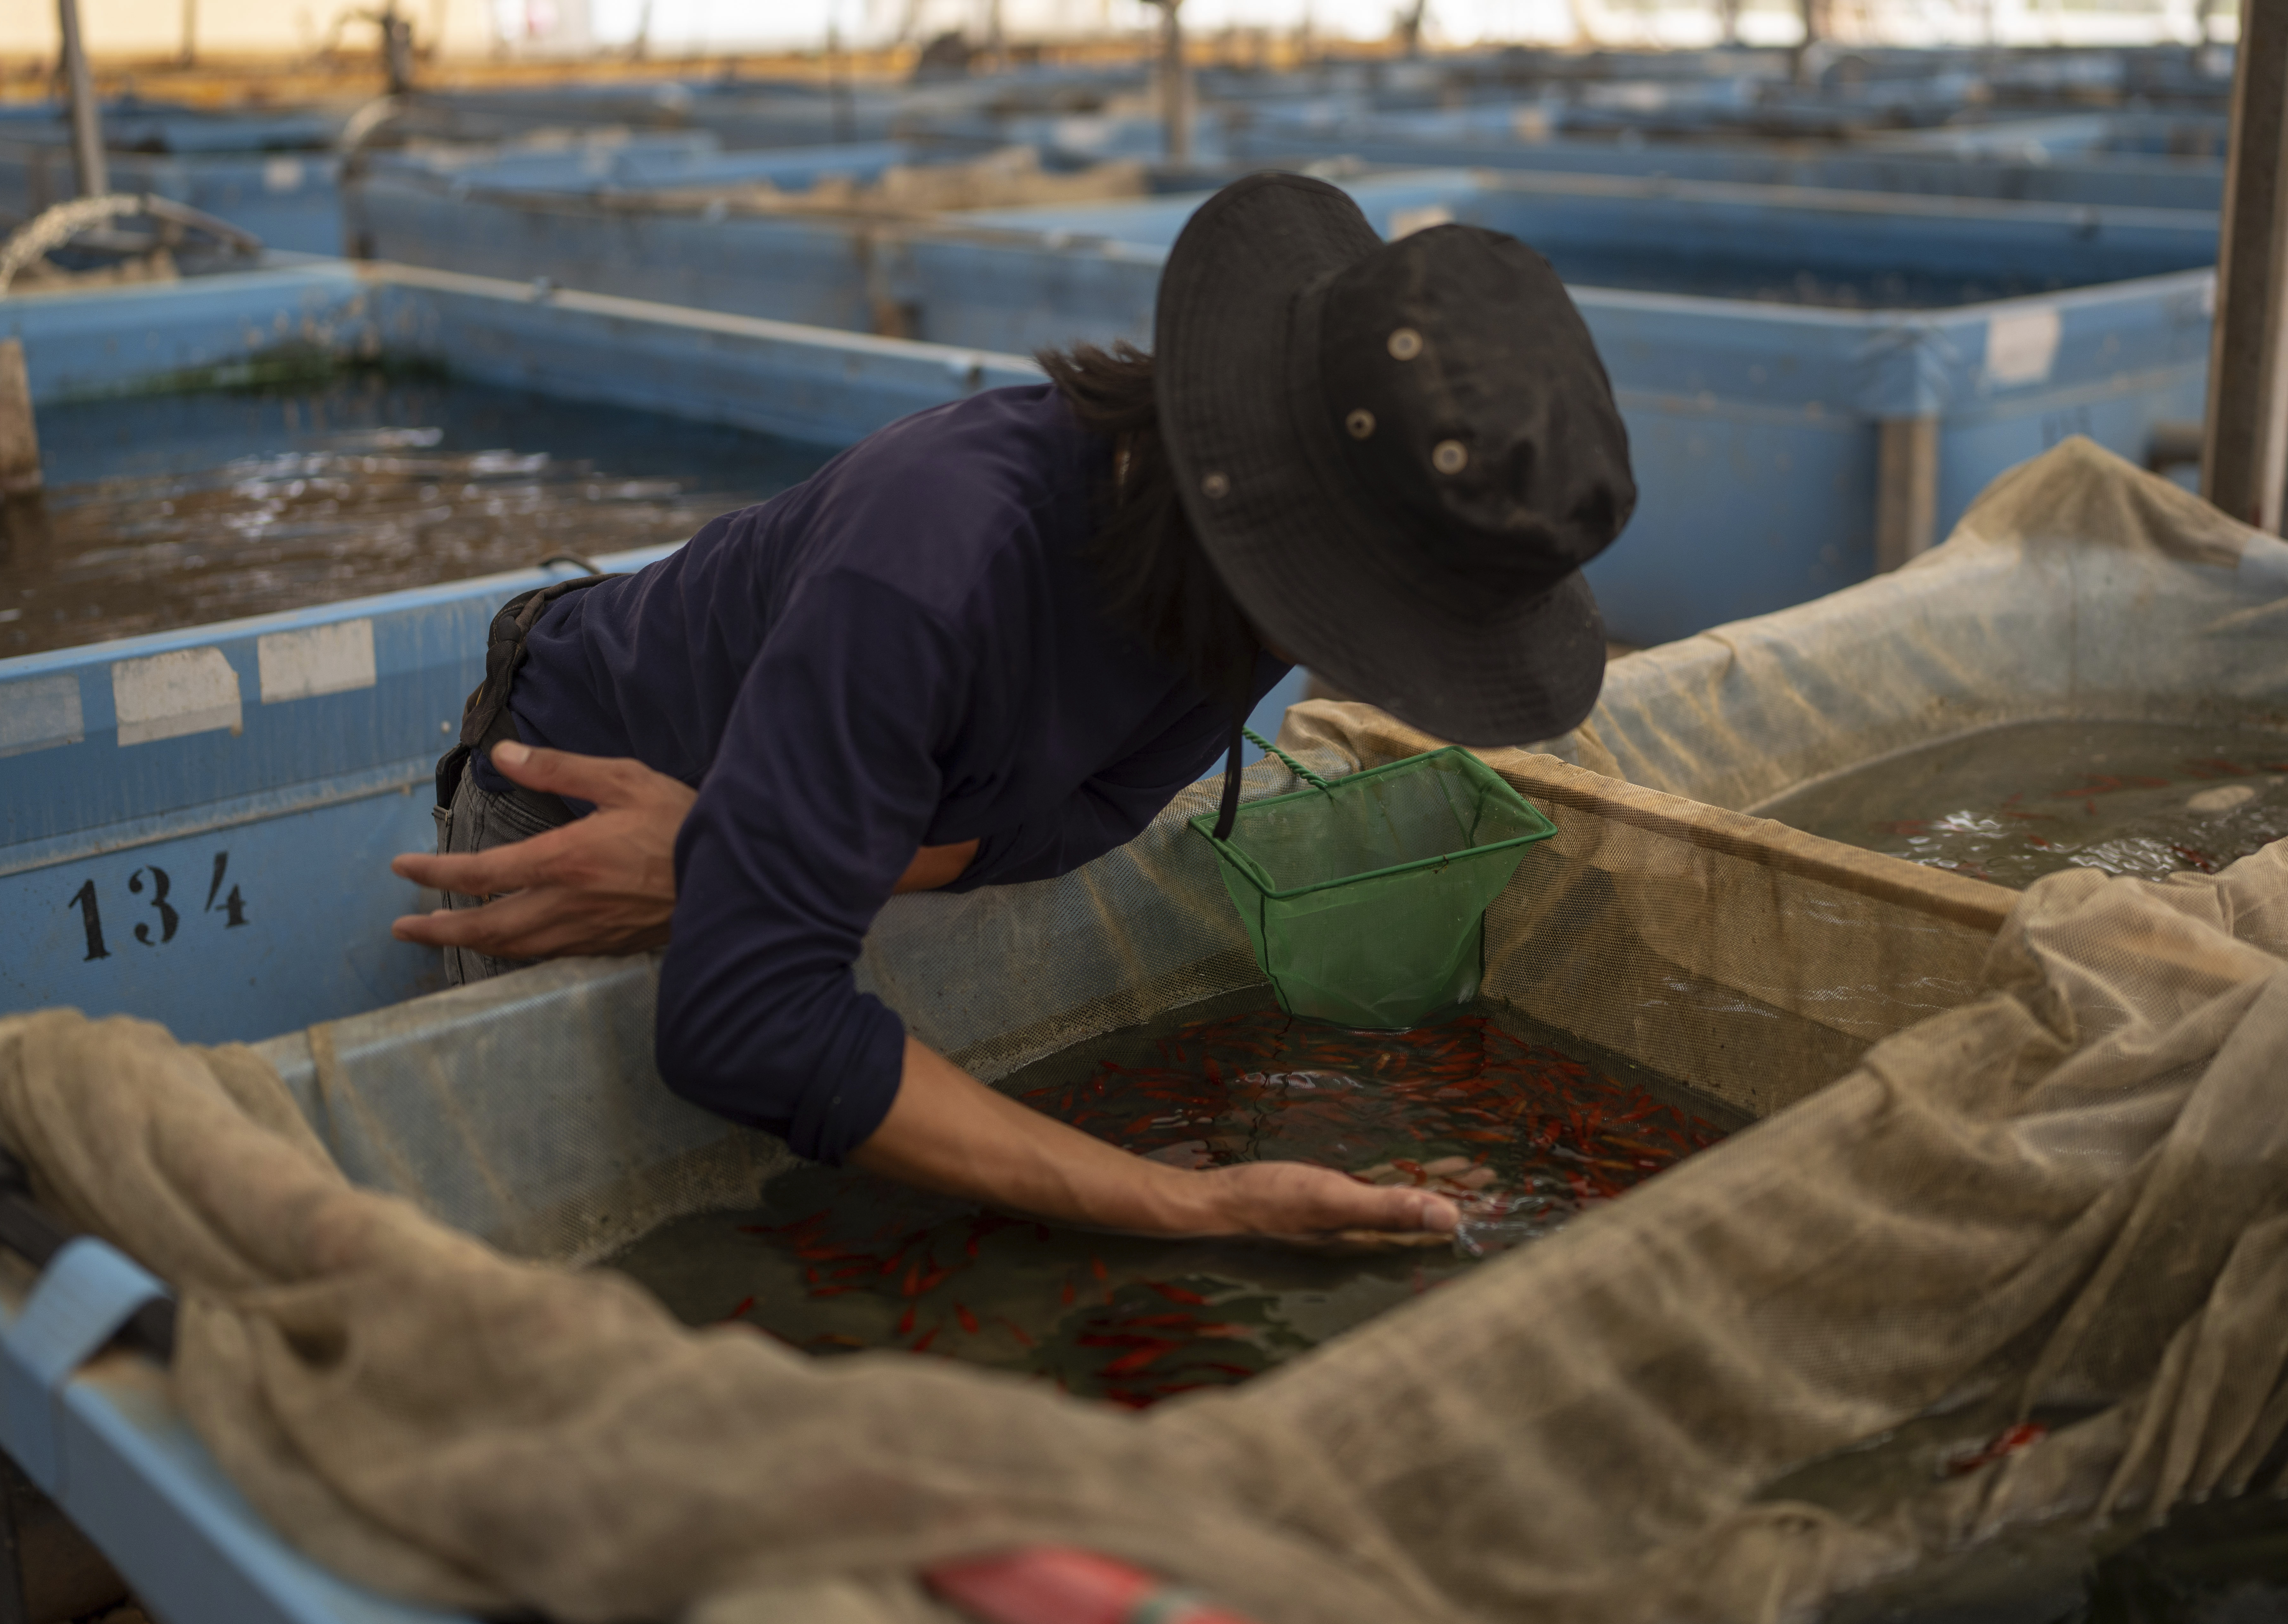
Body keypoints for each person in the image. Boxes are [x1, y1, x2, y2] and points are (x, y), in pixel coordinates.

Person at [389, 172, 1635, 1240]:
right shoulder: (929, 571)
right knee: (565, 1231)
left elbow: (1079, 816)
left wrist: (731, 861)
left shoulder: (1243, 593)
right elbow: (742, 1019)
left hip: (724, 846)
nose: (1372, 661)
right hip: (582, 808)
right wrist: (1193, 1202)